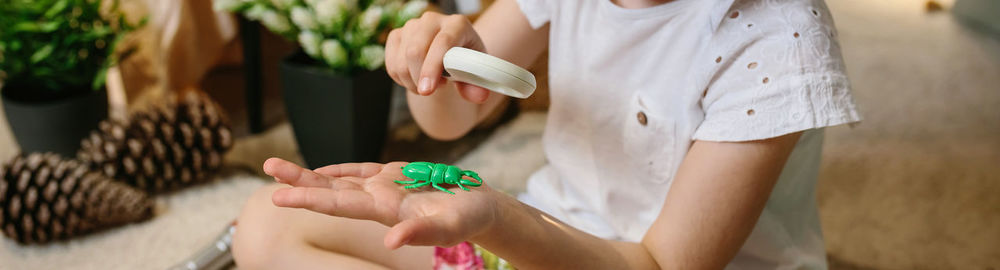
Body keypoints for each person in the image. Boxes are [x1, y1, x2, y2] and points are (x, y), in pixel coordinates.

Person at [231, 0, 861, 269]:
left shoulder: (779, 40)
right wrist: (439, 69)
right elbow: (449, 121)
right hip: (545, 237)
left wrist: (494, 218)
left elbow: (660, 264)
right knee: (265, 223)